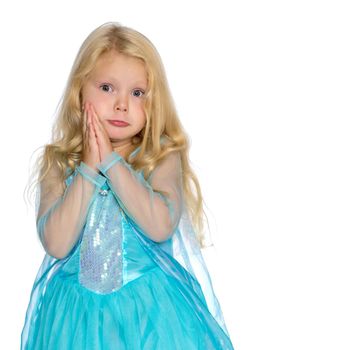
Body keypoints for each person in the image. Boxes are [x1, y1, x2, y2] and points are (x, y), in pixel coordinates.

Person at [20, 21, 235, 350]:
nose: (122, 104)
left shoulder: (159, 157)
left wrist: (111, 161)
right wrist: (89, 168)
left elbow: (159, 225)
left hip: (148, 315)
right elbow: (58, 244)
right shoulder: (60, 162)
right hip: (76, 318)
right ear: (80, 92)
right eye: (107, 88)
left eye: (137, 93)